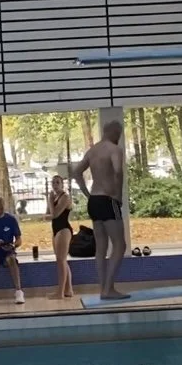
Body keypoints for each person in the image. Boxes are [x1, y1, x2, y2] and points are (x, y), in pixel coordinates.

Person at [72, 120, 129, 301]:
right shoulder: (114, 150)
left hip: (94, 201)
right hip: (108, 200)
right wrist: (118, 195)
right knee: (120, 245)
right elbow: (118, 171)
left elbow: (76, 172)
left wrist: (87, 193)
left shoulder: (93, 151)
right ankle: (108, 289)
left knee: (101, 247)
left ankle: (103, 289)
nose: (119, 138)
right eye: (119, 134)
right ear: (114, 132)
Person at [46, 174, 74, 299]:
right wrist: (50, 201)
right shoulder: (53, 197)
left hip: (64, 230)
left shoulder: (65, 197)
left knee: (61, 261)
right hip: (55, 230)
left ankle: (60, 292)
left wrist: (51, 201)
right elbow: (47, 214)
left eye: (57, 182)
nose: (55, 185)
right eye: (53, 182)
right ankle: (68, 290)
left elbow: (55, 214)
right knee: (62, 260)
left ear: (62, 184)